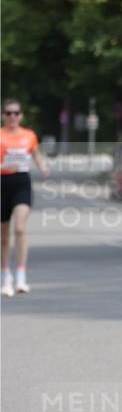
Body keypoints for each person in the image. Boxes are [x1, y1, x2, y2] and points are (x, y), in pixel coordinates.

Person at [1, 99, 50, 297]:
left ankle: (21, 276)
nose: (13, 116)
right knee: (4, 237)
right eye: (9, 113)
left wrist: (43, 167)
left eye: (16, 113)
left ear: (21, 115)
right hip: (2, 182)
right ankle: (6, 277)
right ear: (3, 115)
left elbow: (35, 154)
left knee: (20, 228)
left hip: (22, 183)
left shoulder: (28, 135)